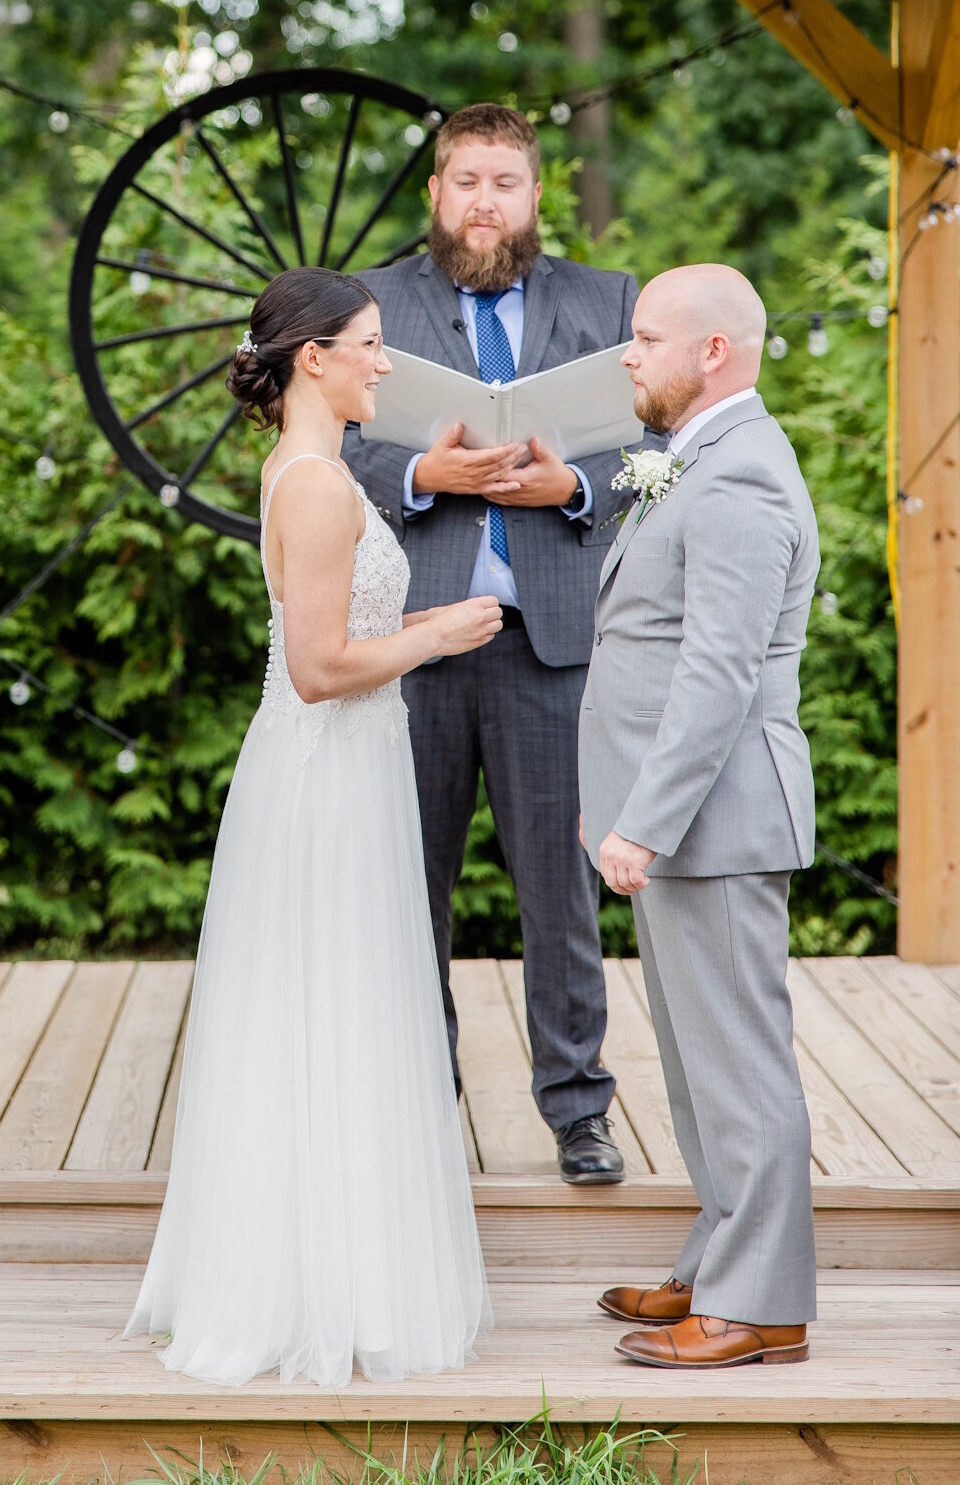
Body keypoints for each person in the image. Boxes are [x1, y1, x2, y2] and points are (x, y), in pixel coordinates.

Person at [126, 265, 499, 1388]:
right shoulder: (321, 486)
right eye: (373, 344)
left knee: (331, 1009)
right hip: (331, 774)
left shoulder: (301, 470)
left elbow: (348, 619)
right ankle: (318, 1291)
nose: (387, 362)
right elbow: (323, 665)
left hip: (336, 771)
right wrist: (438, 642)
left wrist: (431, 614)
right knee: (331, 1009)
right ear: (314, 359)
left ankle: (323, 1270)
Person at [344, 102, 637, 1183]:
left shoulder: (607, 302)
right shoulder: (373, 302)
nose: (483, 202)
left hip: (549, 643)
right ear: (435, 193)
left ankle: (578, 1112)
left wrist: (574, 487)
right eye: (464, 180)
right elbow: (326, 444)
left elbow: (658, 448)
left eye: (503, 182)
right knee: (404, 883)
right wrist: (427, 474)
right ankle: (421, 1101)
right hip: (412, 644)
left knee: (559, 895)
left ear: (535, 196)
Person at [580, 263, 819, 1368]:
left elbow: (718, 673)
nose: (626, 354)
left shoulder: (741, 479)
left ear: (711, 351)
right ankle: (720, 1258)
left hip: (712, 817)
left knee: (739, 1060)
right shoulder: (698, 459)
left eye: (643, 336)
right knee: (694, 1058)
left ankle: (761, 1303)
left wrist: (646, 820)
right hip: (686, 820)